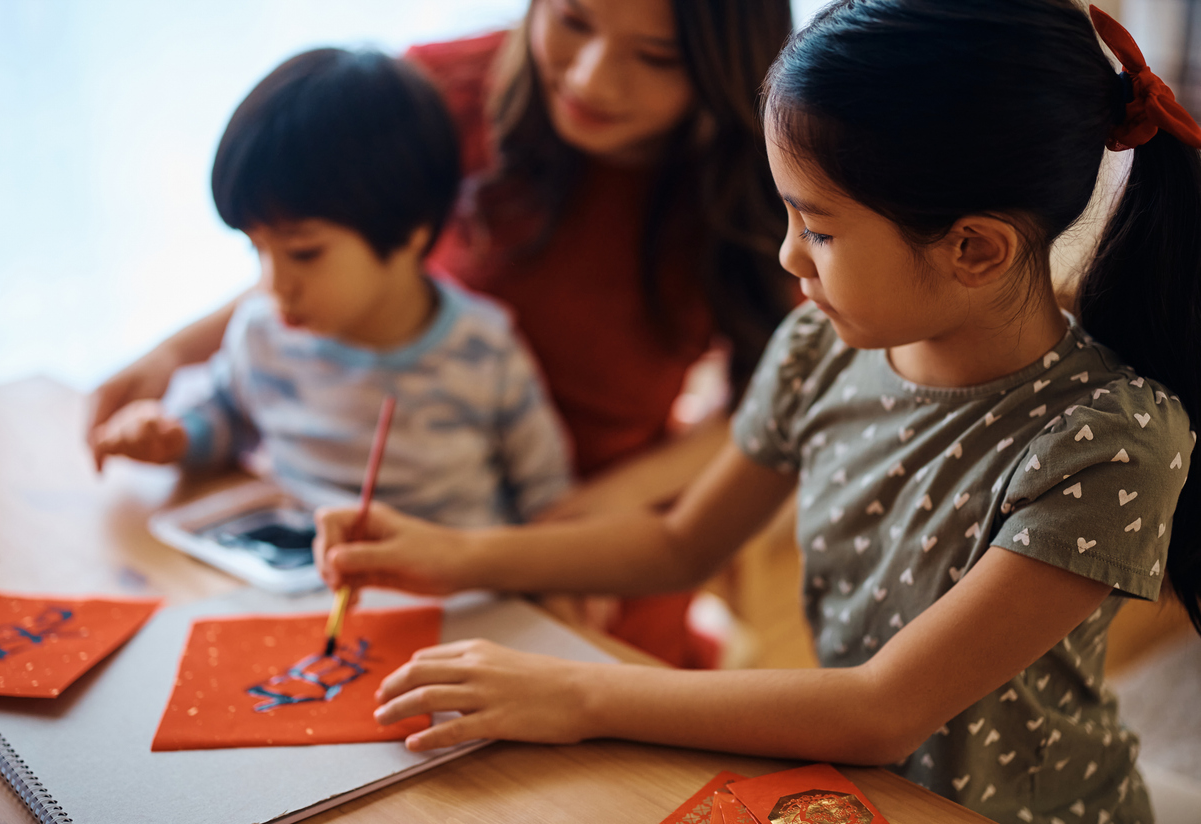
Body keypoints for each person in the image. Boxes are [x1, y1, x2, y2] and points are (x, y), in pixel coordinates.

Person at [313, 3, 1201, 824]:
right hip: (854, 798)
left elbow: (882, 709)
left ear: (974, 248)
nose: (787, 256)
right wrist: (451, 555)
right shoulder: (820, 347)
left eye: (819, 229)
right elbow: (680, 546)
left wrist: (574, 692)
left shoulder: (1110, 441)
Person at [86, 0, 797, 668]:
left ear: (725, 60)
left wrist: (583, 518)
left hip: (589, 561)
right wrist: (175, 354)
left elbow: (776, 403)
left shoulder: (769, 179)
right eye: (572, 20)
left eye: (656, 56)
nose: (591, 78)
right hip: (372, 551)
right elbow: (329, 255)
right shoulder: (439, 93)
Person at [89, 48, 571, 526]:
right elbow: (225, 418)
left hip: (448, 570)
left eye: (304, 253)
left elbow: (550, 499)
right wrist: (174, 437)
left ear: (409, 232)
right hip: (296, 560)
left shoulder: (484, 353)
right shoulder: (262, 335)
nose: (274, 285)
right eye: (257, 249)